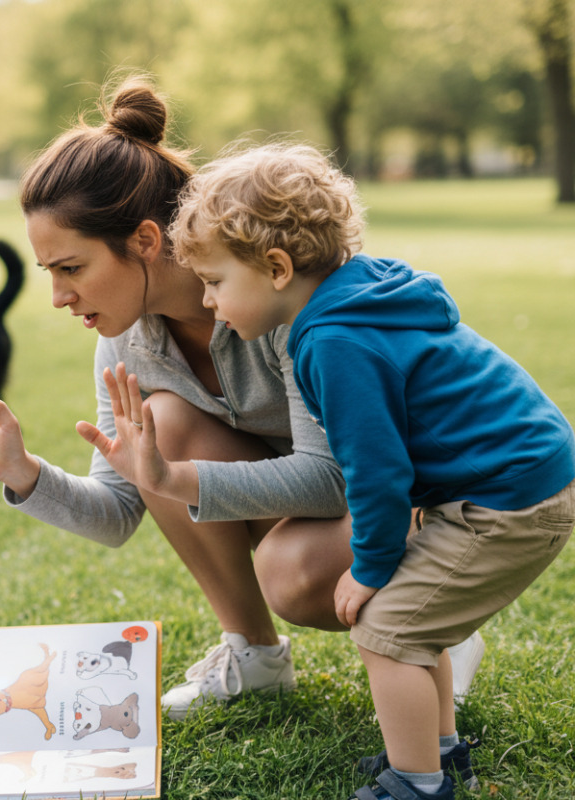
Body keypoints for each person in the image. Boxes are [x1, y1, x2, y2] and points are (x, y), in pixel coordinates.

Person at [0, 78, 483, 724]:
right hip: (319, 506)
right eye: (50, 273)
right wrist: (21, 472)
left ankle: (429, 616)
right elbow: (119, 511)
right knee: (159, 426)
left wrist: (175, 478)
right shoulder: (126, 343)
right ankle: (255, 655)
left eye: (71, 268)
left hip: (403, 500)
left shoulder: (281, 298)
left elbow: (334, 477)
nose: (58, 297)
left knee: (289, 572)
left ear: (145, 241)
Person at [100, 141, 574, 799]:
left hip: (507, 499)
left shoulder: (333, 341)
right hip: (512, 482)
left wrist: (371, 567)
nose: (207, 302)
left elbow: (374, 475)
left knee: (387, 631)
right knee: (409, 624)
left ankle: (416, 783)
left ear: (275, 268)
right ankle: (440, 753)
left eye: (215, 282)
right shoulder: (353, 300)